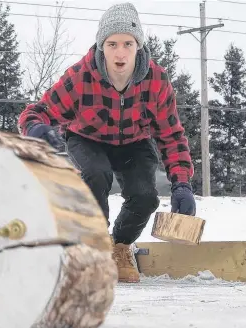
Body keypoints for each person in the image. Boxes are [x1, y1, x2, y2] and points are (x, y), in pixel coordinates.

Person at [17, 2, 196, 283]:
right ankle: (95, 247)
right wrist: (36, 128)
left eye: (127, 43)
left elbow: (171, 135)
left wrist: (182, 183)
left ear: (139, 46)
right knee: (96, 174)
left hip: (135, 142)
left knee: (145, 195)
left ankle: (120, 245)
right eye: (112, 44)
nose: (120, 53)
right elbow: (36, 111)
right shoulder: (80, 76)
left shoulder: (157, 81)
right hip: (87, 139)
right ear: (102, 46)